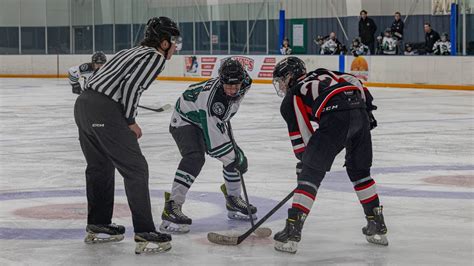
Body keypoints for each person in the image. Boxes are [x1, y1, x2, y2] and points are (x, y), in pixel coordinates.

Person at [74, 16, 181, 254]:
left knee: (99, 166)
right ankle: (144, 230)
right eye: (174, 41)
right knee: (136, 169)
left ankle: (98, 224)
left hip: (83, 105)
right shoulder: (155, 57)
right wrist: (130, 121)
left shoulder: (129, 51)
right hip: (104, 109)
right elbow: (132, 87)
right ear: (163, 43)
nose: (175, 46)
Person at [271, 57, 388, 253]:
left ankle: (292, 231)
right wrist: (367, 109)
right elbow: (355, 81)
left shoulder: (293, 95)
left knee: (310, 175)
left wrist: (306, 163)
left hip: (336, 116)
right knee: (360, 172)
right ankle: (376, 223)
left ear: (290, 76)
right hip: (359, 113)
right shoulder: (324, 72)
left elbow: (303, 135)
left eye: (282, 80)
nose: (281, 86)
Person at [160, 58, 254, 234]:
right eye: (228, 86)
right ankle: (172, 206)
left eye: (237, 86)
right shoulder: (213, 102)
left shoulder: (245, 82)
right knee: (195, 157)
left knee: (233, 155)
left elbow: (232, 102)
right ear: (221, 81)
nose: (234, 90)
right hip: (185, 119)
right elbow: (214, 147)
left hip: (208, 117)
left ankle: (233, 198)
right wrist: (236, 158)